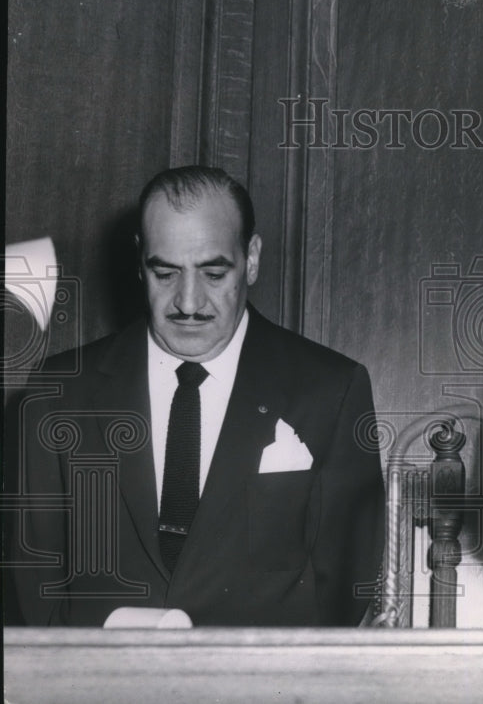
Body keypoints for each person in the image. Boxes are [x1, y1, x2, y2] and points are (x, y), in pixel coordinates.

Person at [6, 166, 384, 626]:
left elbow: (346, 585)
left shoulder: (331, 389)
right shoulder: (57, 393)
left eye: (213, 273)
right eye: (165, 273)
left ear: (253, 258)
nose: (188, 301)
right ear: (139, 262)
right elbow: (34, 583)